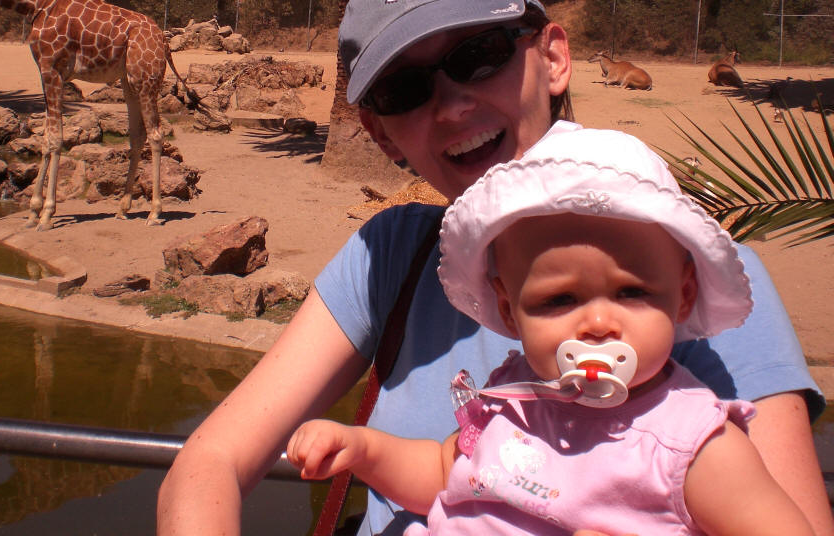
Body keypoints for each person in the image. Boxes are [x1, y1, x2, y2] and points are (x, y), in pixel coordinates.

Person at [157, 0, 831, 535]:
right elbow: (209, 462)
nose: (452, 105)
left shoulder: (701, 274)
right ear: (380, 133)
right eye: (404, 88)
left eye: (479, 56)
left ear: (554, 58)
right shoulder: (391, 255)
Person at [285, 127, 815, 535]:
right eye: (559, 300)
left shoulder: (693, 447)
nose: (598, 324)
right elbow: (445, 470)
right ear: (509, 310)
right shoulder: (513, 396)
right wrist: (365, 450)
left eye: (632, 292)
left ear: (684, 295)